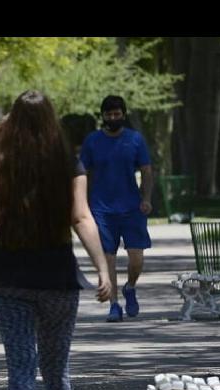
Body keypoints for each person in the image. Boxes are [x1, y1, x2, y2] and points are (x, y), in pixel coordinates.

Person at [0, 90, 111, 390]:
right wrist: (103, 269)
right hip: (57, 280)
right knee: (55, 369)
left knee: (19, 368)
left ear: (12, 120)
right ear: (52, 120)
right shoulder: (67, 162)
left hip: (8, 279)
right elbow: (81, 217)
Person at [79, 95, 153, 322]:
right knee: (107, 258)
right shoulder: (92, 141)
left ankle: (130, 287)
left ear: (123, 114)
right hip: (101, 209)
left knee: (137, 259)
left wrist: (146, 198)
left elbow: (147, 170)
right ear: (103, 116)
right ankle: (114, 304)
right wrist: (84, 204)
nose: (113, 118)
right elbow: (83, 174)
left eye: (117, 114)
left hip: (132, 207)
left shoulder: (135, 140)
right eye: (109, 115)